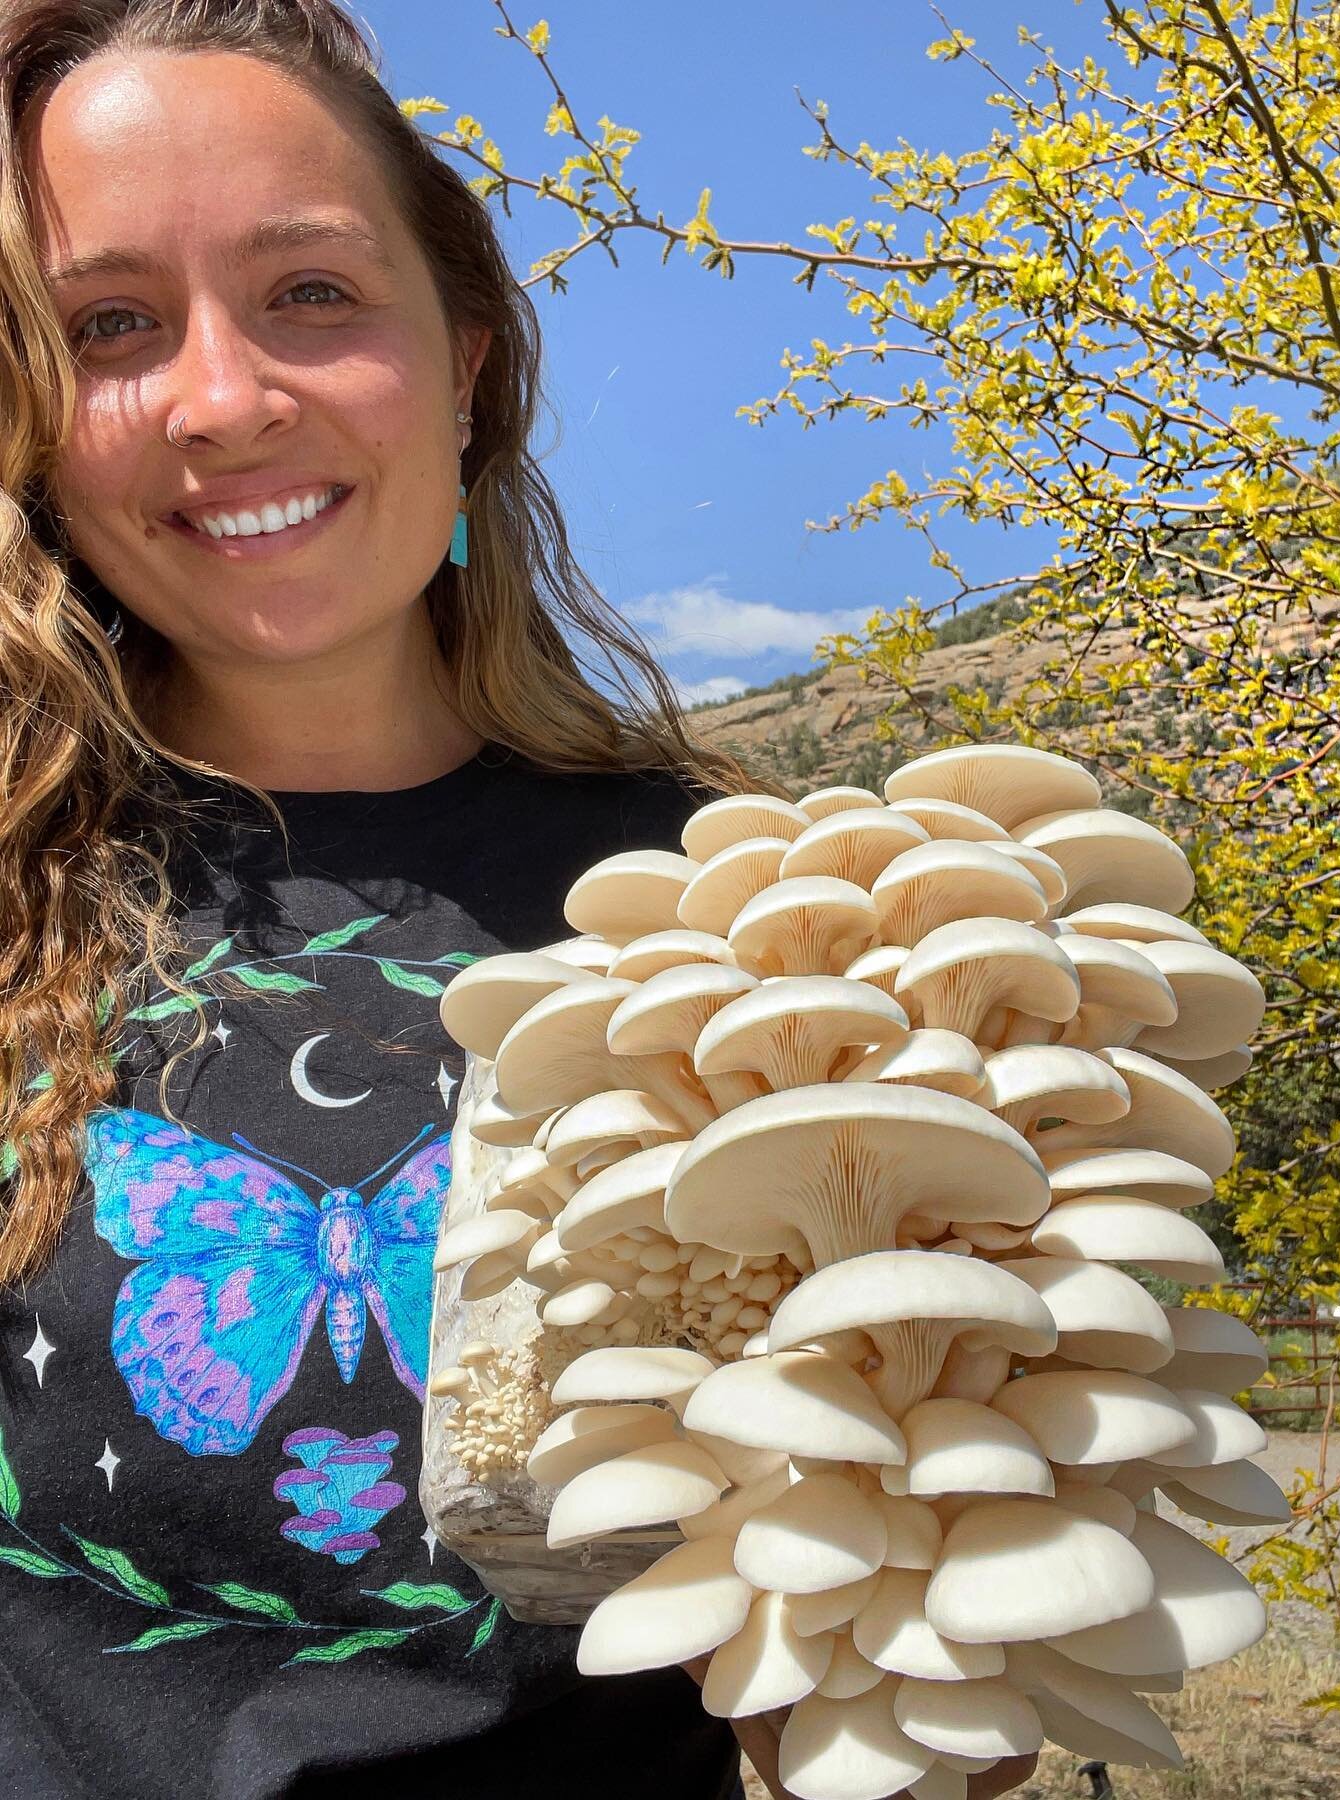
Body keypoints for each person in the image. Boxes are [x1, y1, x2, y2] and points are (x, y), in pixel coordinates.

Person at [0, 3, 1038, 1796]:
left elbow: (898, 1604)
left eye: (311, 291)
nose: (224, 397)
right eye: (108, 325)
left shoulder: (753, 917)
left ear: (470, 359)